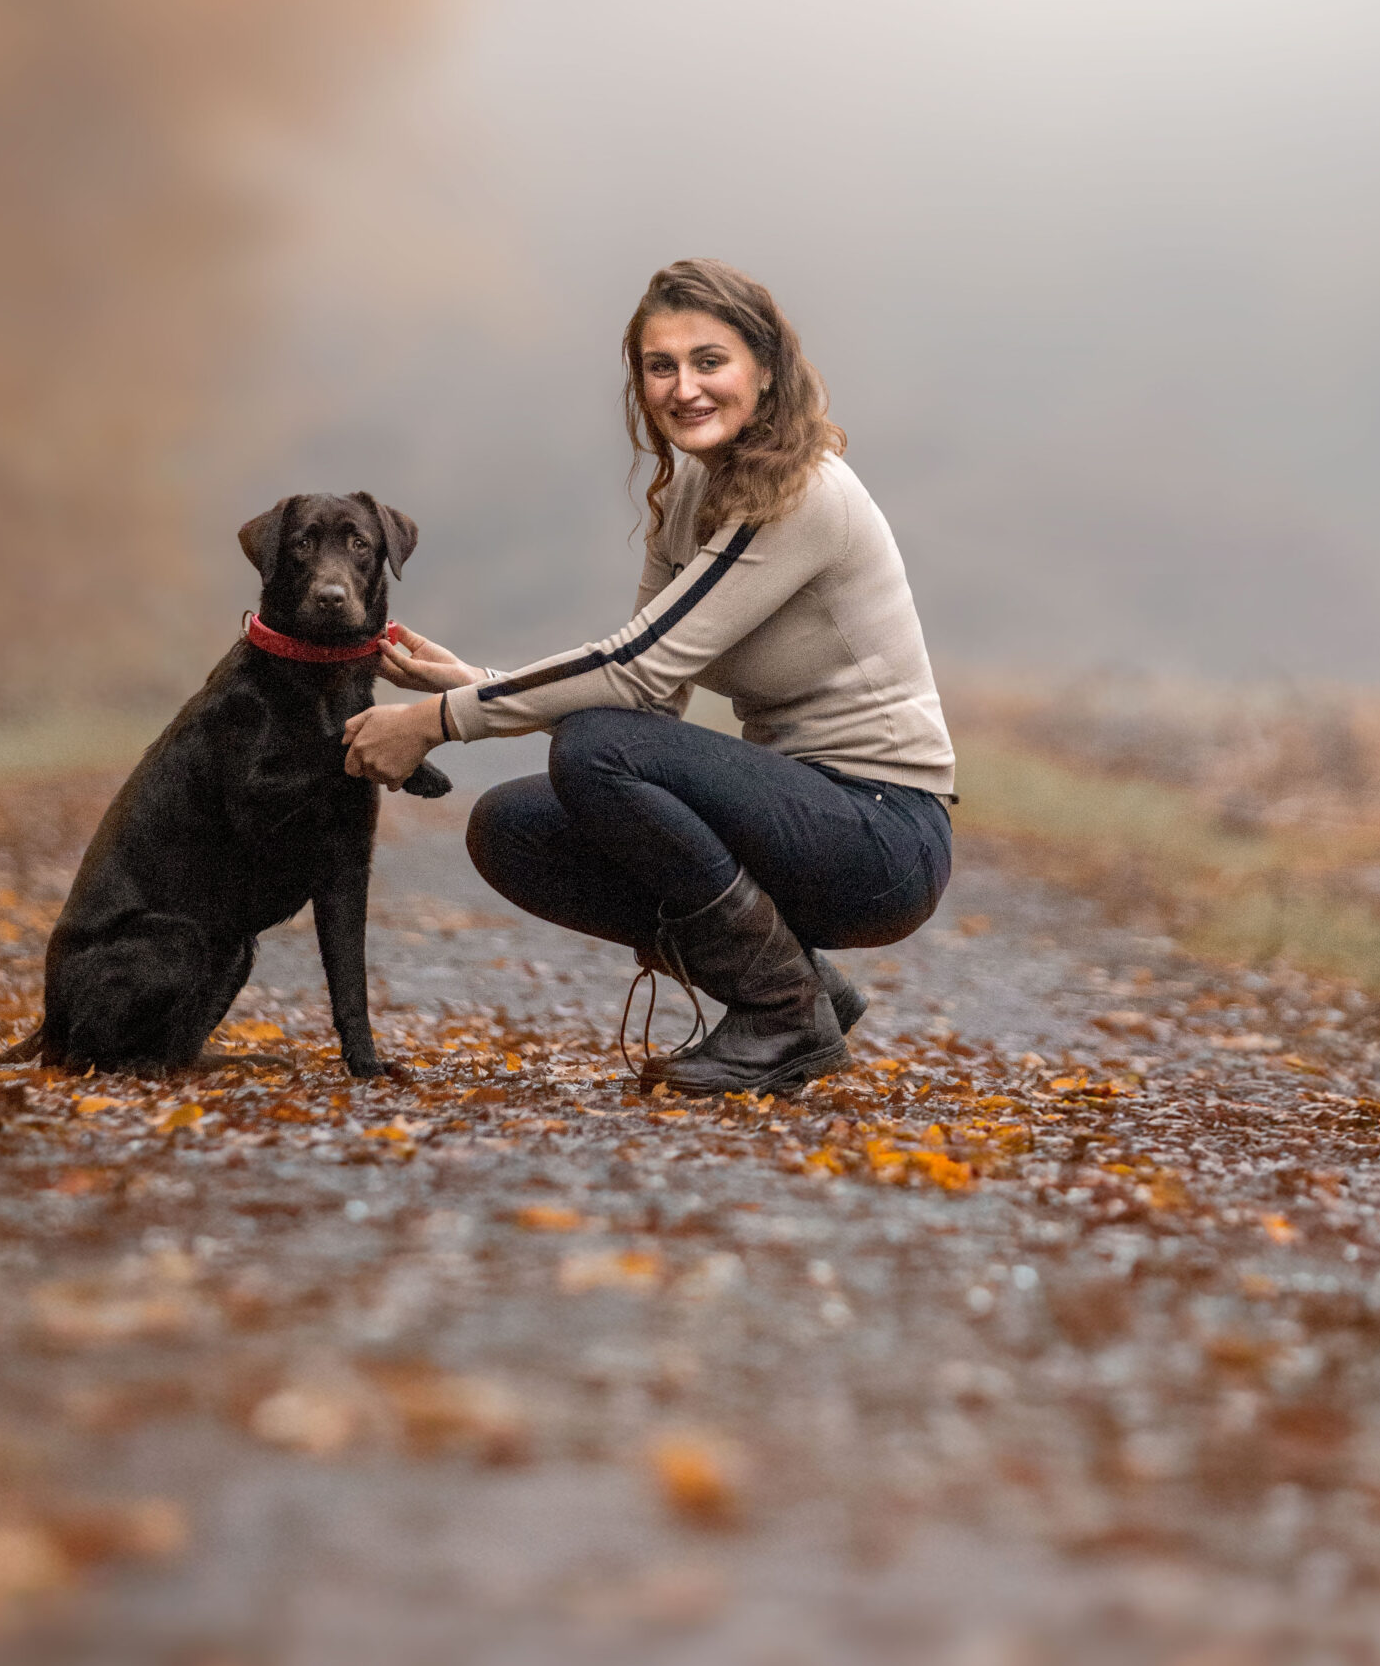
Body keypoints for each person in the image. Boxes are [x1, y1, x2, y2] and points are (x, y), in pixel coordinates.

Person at [341, 258, 954, 1096]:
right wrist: (474, 679)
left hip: (884, 835)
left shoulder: (804, 494)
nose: (683, 387)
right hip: (803, 815)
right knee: (514, 826)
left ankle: (779, 1012)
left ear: (765, 371)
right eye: (659, 366)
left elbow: (632, 675)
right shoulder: (689, 494)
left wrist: (442, 718)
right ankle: (796, 986)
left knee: (599, 749)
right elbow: (653, 692)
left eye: (710, 361)